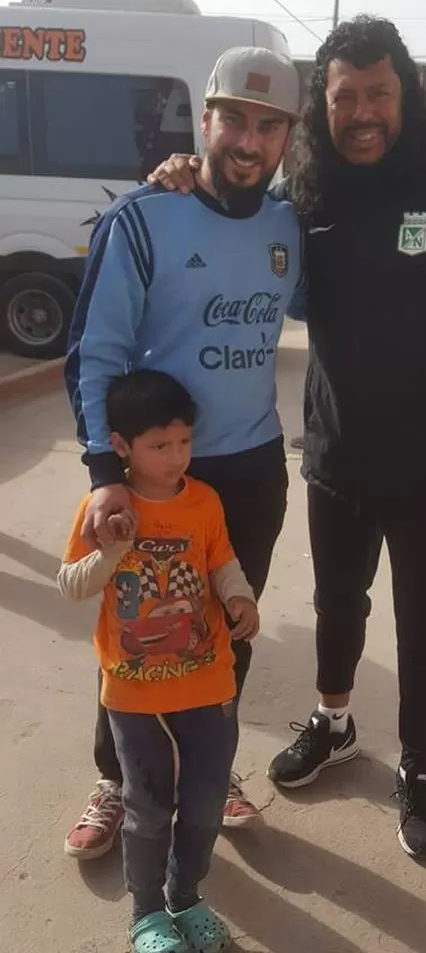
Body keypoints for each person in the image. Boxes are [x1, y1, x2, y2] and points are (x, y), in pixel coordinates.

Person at [148, 15, 426, 860]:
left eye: (379, 94)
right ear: (322, 108)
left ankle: (420, 768)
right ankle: (333, 722)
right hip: (335, 458)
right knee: (336, 609)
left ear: (406, 95)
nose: (363, 112)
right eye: (345, 97)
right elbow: (231, 216)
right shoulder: (306, 199)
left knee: (421, 628)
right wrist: (185, 174)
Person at [63, 45, 302, 859]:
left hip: (252, 468)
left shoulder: (286, 226)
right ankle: (117, 777)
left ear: (288, 139)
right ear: (203, 120)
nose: (248, 138)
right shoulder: (144, 218)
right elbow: (95, 351)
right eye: (232, 116)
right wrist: (105, 475)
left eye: (268, 125)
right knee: (134, 632)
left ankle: (213, 768)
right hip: (158, 471)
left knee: (224, 629)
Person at [58, 369, 256, 953]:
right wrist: (114, 549)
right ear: (121, 446)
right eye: (159, 446)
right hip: (134, 693)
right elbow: (71, 584)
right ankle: (146, 913)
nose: (176, 457)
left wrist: (240, 596)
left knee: (201, 806)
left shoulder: (204, 501)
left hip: (208, 682)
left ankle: (186, 896)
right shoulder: (104, 508)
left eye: (184, 442)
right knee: (147, 809)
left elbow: (221, 559)